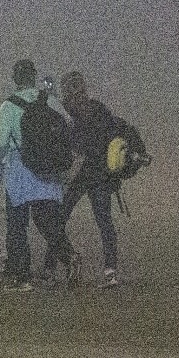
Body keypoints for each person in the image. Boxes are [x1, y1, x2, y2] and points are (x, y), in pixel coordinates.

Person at [0, 59, 79, 292]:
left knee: (17, 225)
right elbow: (68, 127)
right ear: (34, 76)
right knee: (47, 221)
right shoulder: (51, 100)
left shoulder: (8, 106)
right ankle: (69, 256)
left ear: (15, 79)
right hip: (48, 170)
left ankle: (21, 276)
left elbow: (0, 144)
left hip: (20, 170)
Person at [60, 71, 124, 288]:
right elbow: (113, 139)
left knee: (59, 219)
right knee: (104, 222)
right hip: (100, 175)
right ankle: (110, 271)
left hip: (78, 175)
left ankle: (52, 266)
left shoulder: (66, 112)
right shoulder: (99, 109)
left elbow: (70, 145)